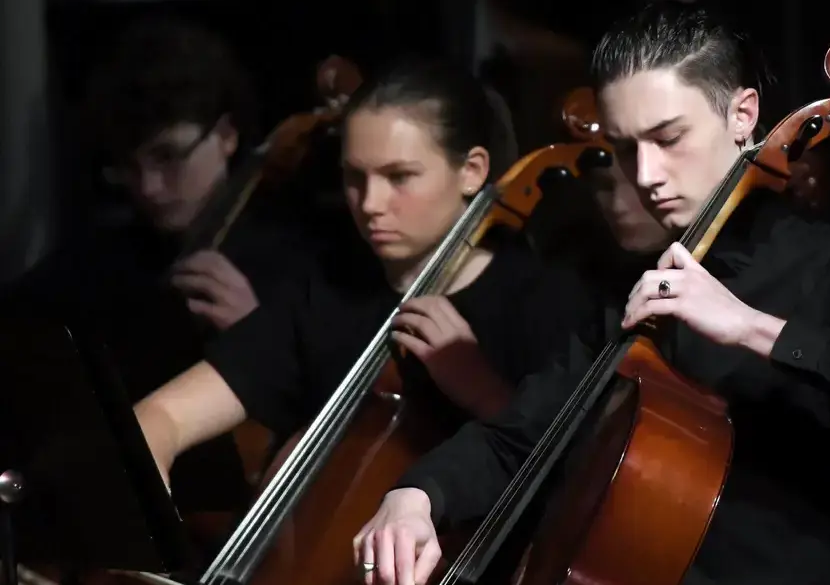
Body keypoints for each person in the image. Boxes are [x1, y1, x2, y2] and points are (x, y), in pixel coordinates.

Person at [353, 1, 830, 585]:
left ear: (742, 116)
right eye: (625, 148)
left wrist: (749, 327)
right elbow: (522, 434)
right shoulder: (635, 284)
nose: (645, 176)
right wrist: (415, 497)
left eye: (668, 138)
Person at [130, 57, 592, 496]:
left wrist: (481, 388)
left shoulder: (544, 301)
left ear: (471, 171)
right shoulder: (325, 291)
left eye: (399, 176)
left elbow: (572, 480)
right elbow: (162, 416)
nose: (370, 203)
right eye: (355, 177)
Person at [1, 17, 317, 517]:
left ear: (227, 135)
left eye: (168, 156)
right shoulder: (110, 251)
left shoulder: (299, 252)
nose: (147, 188)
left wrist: (260, 336)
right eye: (129, 166)